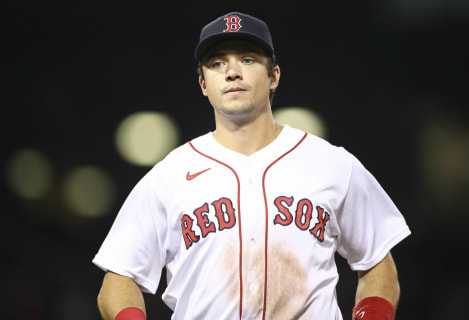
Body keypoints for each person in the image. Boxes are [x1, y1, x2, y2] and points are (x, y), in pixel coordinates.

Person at [93, 12, 411, 320]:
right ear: (203, 84)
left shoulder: (333, 164)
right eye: (218, 63)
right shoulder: (169, 175)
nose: (232, 72)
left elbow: (377, 261)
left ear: (273, 76)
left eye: (247, 59)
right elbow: (119, 277)